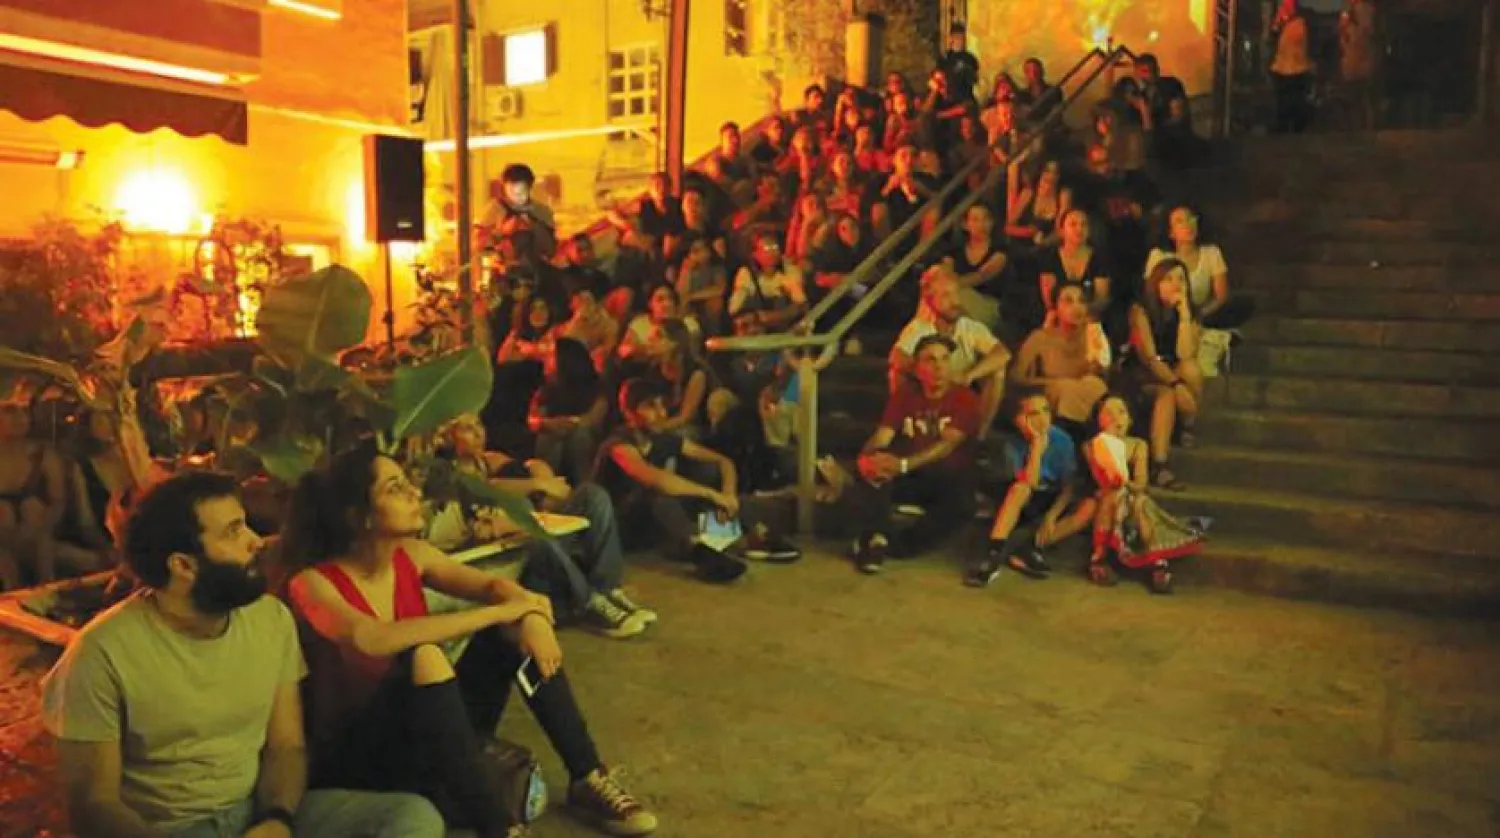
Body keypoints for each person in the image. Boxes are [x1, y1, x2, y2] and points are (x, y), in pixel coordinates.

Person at [41, 471, 447, 837]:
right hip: (171, 829)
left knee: (413, 818)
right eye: (234, 531)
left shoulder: (269, 619)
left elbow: (286, 746)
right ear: (184, 565)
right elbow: (95, 806)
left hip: (257, 810)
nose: (256, 541)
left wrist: (277, 818)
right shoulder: (101, 653)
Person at [282, 448, 659, 837]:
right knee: (426, 654)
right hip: (362, 760)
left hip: (431, 734)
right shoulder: (312, 582)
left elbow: (492, 585)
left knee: (508, 635)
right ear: (358, 515)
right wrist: (502, 611)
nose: (414, 492)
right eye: (395, 488)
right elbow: (370, 638)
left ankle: (586, 775)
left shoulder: (410, 555)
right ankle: (499, 828)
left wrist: (528, 615)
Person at [592, 379, 800, 581]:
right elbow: (655, 479)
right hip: (619, 527)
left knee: (709, 498)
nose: (661, 413)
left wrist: (727, 495)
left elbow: (723, 461)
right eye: (650, 407)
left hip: (653, 523)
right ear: (629, 413)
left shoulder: (662, 439)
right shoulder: (618, 444)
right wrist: (711, 494)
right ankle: (701, 551)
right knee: (662, 497)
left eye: (662, 405)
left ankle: (749, 537)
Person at [845, 336, 980, 574]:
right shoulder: (906, 394)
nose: (939, 367)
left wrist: (905, 464)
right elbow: (882, 436)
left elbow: (947, 445)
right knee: (872, 473)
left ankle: (889, 545)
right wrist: (865, 459)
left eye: (945, 359)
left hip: (948, 476)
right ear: (918, 369)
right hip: (911, 474)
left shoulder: (965, 398)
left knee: (963, 504)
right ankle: (875, 541)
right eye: (930, 360)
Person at [966, 389, 1097, 587]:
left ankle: (1029, 548)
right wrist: (1036, 447)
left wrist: (1052, 515)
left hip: (1051, 496)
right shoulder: (1011, 444)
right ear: (1019, 419)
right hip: (1022, 498)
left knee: (1089, 506)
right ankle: (994, 554)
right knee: (1021, 488)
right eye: (1033, 414)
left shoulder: (1062, 440)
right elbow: (1030, 481)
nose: (1043, 418)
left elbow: (1068, 485)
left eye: (1045, 411)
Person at [1084, 395, 1206, 594]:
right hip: (1106, 498)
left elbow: (1141, 484)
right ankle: (1098, 557)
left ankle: (1157, 562)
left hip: (1132, 499)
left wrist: (1127, 484)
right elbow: (1101, 480)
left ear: (1130, 419)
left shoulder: (1138, 445)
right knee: (1111, 497)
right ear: (1098, 420)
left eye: (1121, 412)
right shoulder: (1092, 445)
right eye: (1108, 413)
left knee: (1140, 502)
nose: (1116, 418)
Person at [889, 267, 1011, 439]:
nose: (954, 301)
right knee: (896, 373)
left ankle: (979, 437)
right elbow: (896, 357)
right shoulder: (920, 327)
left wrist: (968, 375)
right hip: (928, 391)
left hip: (959, 386)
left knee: (997, 371)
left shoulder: (969, 327)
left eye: (956, 294)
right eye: (946, 296)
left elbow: (1002, 353)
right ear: (931, 301)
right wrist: (930, 373)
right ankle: (902, 430)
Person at [1128, 258, 1203, 490]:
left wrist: (1183, 316)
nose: (1176, 284)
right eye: (1168, 279)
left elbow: (1185, 352)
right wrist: (1176, 384)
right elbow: (1149, 358)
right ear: (1156, 283)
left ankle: (1187, 425)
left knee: (1191, 367)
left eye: (1181, 279)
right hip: (1145, 372)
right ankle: (1160, 465)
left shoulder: (1190, 312)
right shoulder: (1140, 310)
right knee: (1167, 396)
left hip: (1174, 367)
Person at [1011, 283, 1111, 433]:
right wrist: (1052, 383)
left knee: (1094, 385)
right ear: (1055, 308)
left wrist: (1097, 361)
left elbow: (1104, 374)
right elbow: (1015, 378)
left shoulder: (1093, 334)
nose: (1076, 307)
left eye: (1082, 301)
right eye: (1068, 301)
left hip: (1087, 395)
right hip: (1053, 397)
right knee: (1062, 390)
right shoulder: (1040, 337)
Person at [527, 338, 610, 482]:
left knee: (580, 436)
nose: (546, 359)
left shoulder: (595, 386)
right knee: (548, 437)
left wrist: (570, 423)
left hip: (584, 433)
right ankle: (548, 486)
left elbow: (594, 417)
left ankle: (584, 486)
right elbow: (533, 418)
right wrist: (546, 424)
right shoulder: (548, 389)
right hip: (555, 433)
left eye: (552, 355)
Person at [941, 203, 1008, 331]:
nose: (981, 225)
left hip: (988, 303)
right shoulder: (955, 250)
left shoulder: (1000, 251)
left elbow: (981, 275)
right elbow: (946, 271)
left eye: (985, 219)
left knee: (952, 299)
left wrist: (952, 286)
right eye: (975, 220)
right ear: (965, 225)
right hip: (956, 298)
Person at [728, 230, 808, 332]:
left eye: (775, 248)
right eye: (766, 249)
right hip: (757, 325)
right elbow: (734, 308)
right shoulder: (746, 273)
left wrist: (774, 316)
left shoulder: (790, 270)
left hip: (785, 324)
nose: (772, 253)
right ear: (755, 254)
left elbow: (801, 304)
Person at [482, 164, 557, 266]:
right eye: (511, 192)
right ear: (504, 188)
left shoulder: (542, 212)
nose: (516, 196)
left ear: (530, 188)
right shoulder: (495, 210)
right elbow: (479, 244)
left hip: (536, 272)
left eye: (521, 192)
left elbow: (550, 249)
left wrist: (534, 226)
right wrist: (502, 231)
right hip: (504, 271)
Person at [1270, 0, 1315, 133]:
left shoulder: (1299, 24)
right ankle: (1283, 125)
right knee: (1284, 99)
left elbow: (1299, 45)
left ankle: (1296, 125)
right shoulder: (1284, 21)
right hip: (1283, 67)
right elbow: (1274, 34)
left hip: (1296, 69)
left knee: (1295, 99)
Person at [938, 23, 981, 105]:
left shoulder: (970, 59)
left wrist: (967, 70)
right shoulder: (944, 60)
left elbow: (974, 80)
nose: (960, 41)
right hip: (948, 100)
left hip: (965, 99)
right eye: (957, 38)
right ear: (951, 39)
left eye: (962, 38)